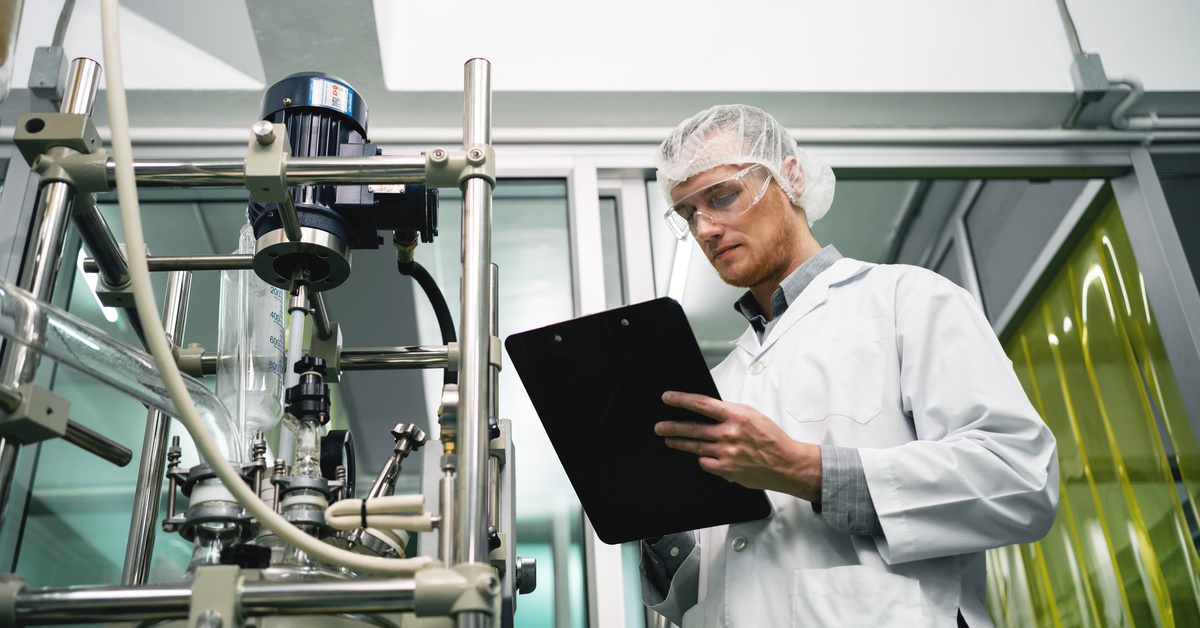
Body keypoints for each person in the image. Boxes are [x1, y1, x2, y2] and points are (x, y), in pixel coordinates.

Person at [640, 104, 1059, 627]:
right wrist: (649, 516)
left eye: (722, 196)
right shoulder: (719, 383)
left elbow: (1019, 481)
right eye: (687, 213)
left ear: (790, 177)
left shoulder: (908, 300)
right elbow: (709, 594)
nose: (704, 228)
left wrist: (803, 468)